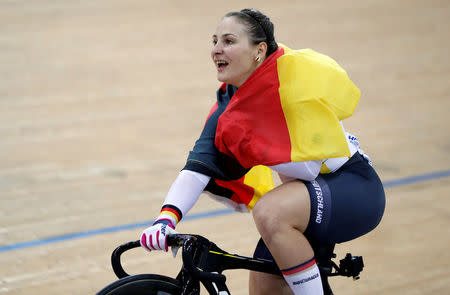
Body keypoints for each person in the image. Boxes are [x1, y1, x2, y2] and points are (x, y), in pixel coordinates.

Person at [139, 8, 385, 295]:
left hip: (352, 188)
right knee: (262, 286)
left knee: (270, 212)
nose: (216, 50)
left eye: (229, 41)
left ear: (259, 51)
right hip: (304, 201)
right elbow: (198, 166)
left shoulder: (290, 87)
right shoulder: (229, 107)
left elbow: (310, 161)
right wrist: (166, 218)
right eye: (214, 41)